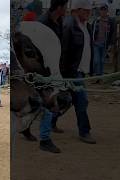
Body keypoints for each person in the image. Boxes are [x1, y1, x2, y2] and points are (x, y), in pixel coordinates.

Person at [60, 0, 96, 144]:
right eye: (86, 11)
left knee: (66, 101)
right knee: (81, 101)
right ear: (77, 10)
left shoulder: (86, 25)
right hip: (73, 72)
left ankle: (50, 121)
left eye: (89, 11)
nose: (89, 13)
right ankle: (84, 131)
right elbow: (64, 52)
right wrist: (64, 74)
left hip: (80, 71)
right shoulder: (69, 26)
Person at [38, 0, 68, 134]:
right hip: (45, 69)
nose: (67, 9)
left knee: (64, 99)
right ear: (59, 7)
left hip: (56, 67)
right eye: (65, 6)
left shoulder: (60, 21)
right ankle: (43, 135)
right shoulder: (43, 23)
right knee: (48, 101)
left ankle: (51, 123)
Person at [92, 3, 115, 77]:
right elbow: (92, 30)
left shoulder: (110, 21)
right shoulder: (96, 20)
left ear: (107, 10)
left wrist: (111, 44)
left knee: (102, 61)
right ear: (99, 11)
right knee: (96, 60)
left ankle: (100, 76)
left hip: (105, 44)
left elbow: (112, 33)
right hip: (96, 43)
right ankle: (96, 75)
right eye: (101, 10)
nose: (103, 11)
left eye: (104, 10)